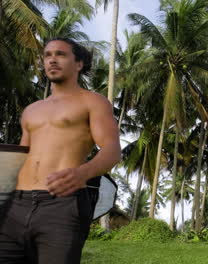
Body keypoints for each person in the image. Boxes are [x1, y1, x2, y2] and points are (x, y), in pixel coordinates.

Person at [0, 38, 121, 264]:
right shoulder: (31, 110)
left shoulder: (93, 102)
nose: (52, 60)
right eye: (47, 55)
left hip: (61, 204)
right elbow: (20, 157)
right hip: (15, 205)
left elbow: (112, 150)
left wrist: (82, 173)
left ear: (79, 64)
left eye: (61, 54)